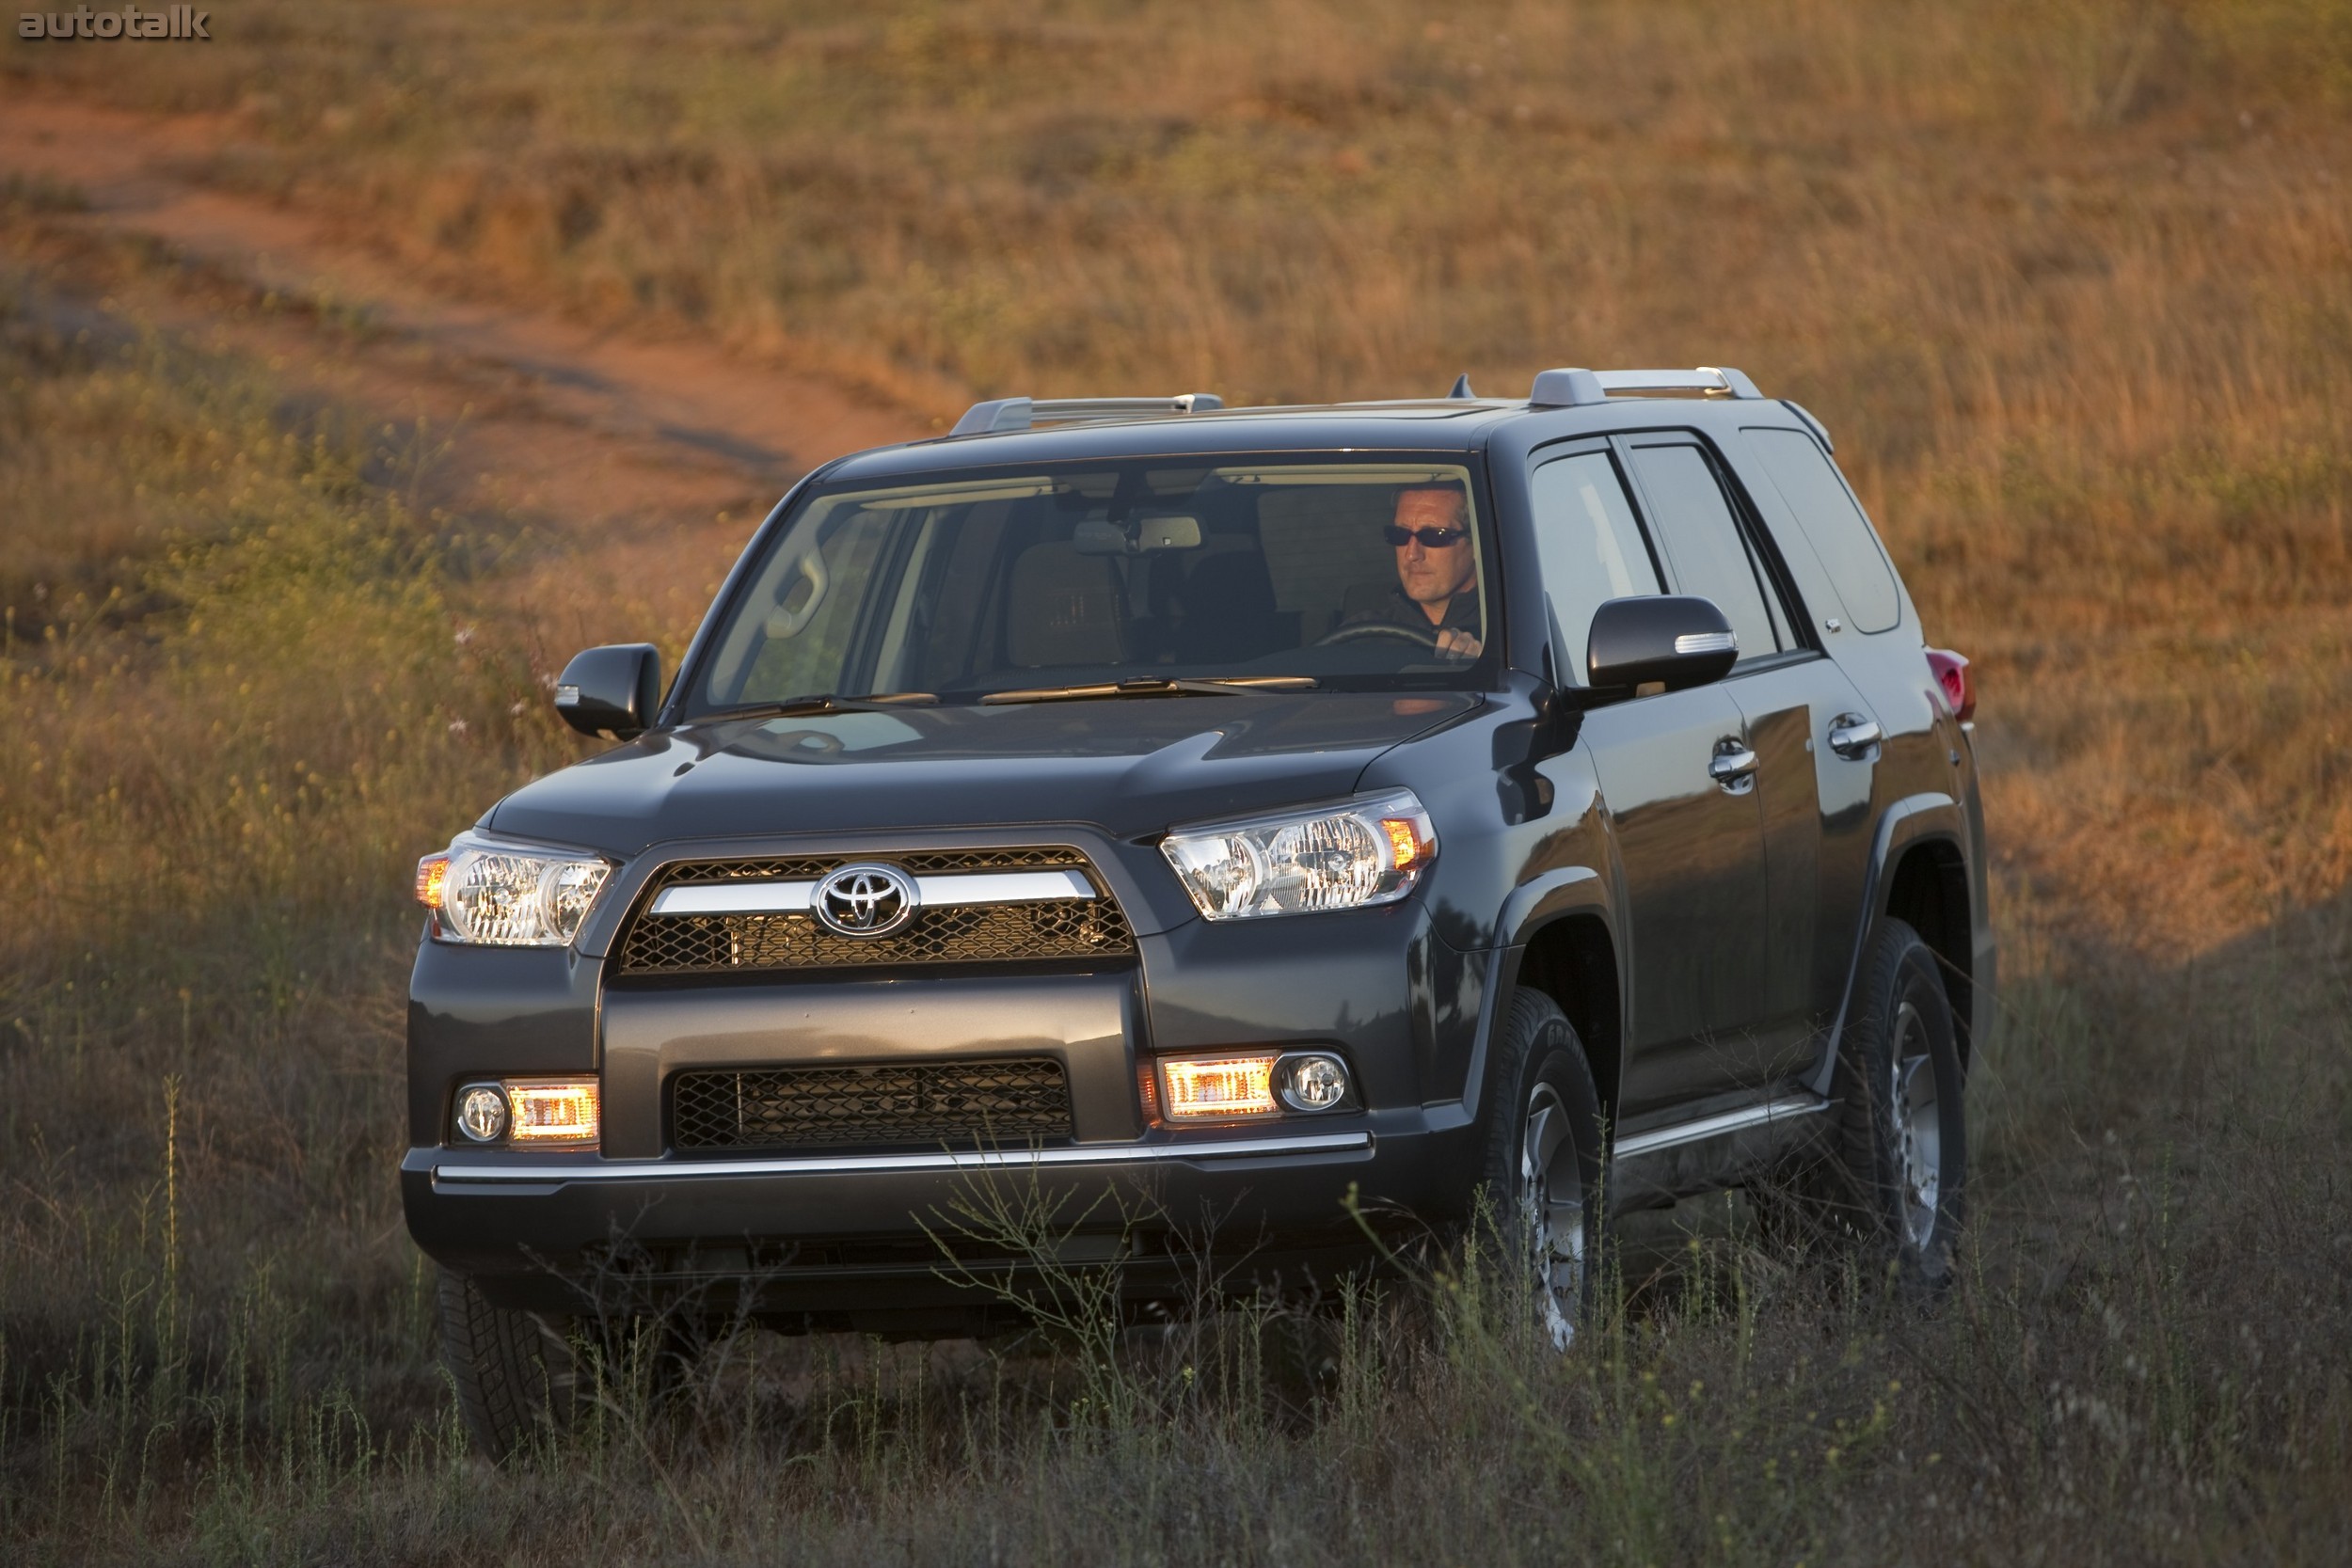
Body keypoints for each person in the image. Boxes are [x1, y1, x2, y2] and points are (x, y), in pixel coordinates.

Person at [1342, 482, 1484, 657]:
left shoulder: (1508, 635)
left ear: (1477, 544)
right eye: (1400, 534)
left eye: (1433, 536)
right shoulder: (1360, 637)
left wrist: (1485, 665)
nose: (1411, 554)